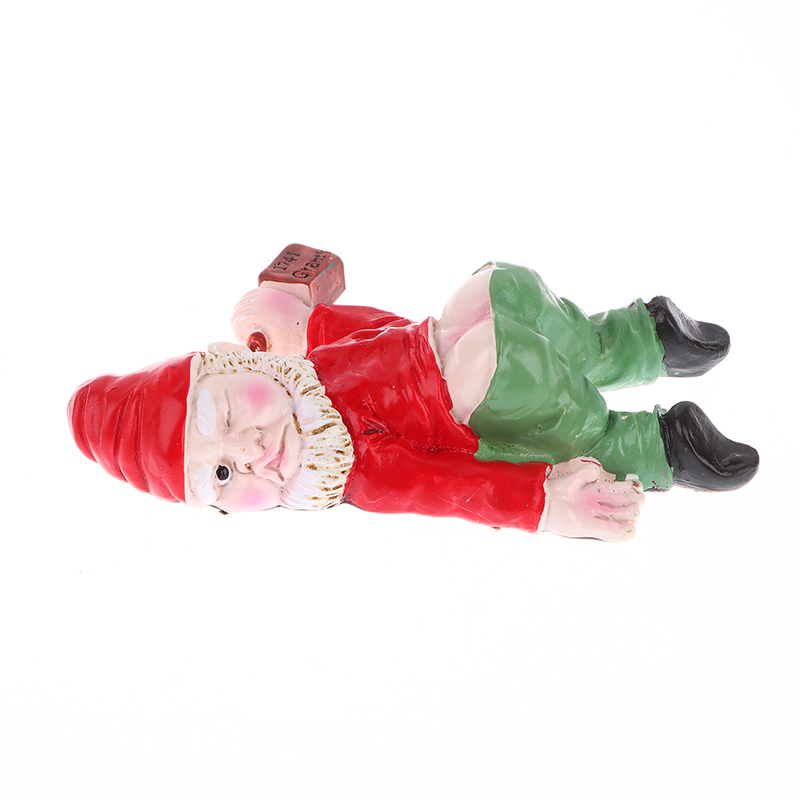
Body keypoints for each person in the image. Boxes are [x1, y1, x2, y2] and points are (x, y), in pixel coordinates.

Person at [68, 261, 758, 542]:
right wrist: (545, 505)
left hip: (435, 341)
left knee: (505, 287)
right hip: (472, 409)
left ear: (238, 364)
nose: (248, 452)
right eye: (220, 475)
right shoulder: (353, 468)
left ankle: (642, 339)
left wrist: (295, 312)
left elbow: (363, 330)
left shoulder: (305, 374)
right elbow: (446, 487)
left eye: (224, 415)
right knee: (518, 372)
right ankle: (661, 447)